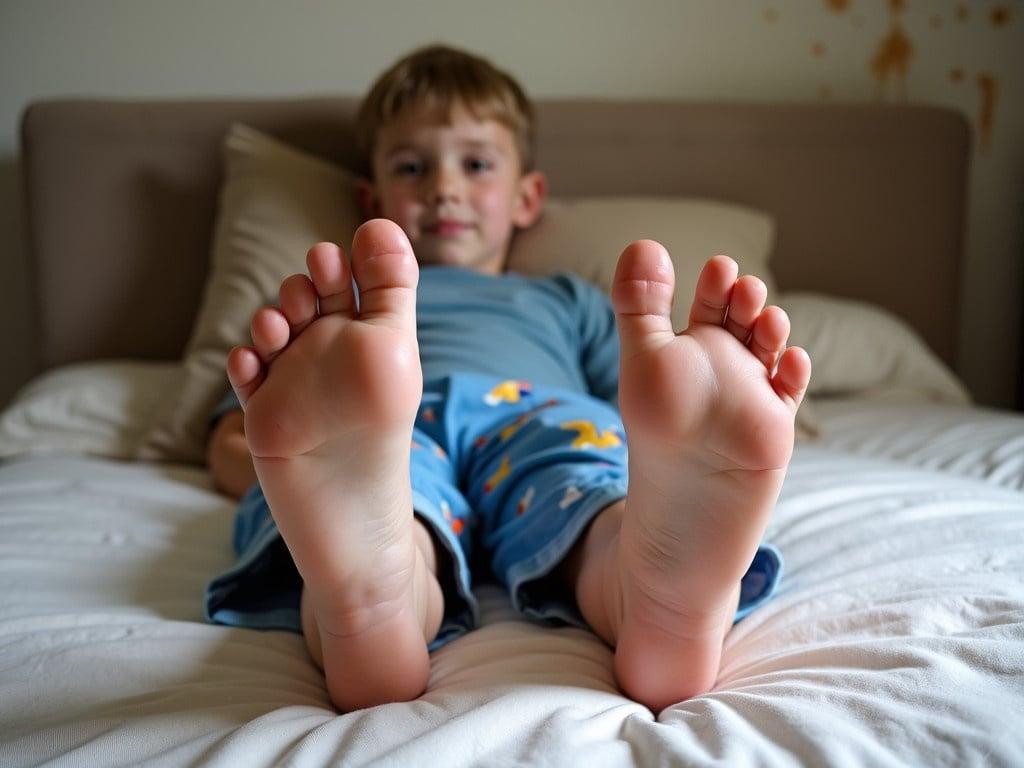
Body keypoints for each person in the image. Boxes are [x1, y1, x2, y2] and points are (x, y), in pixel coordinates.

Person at [204, 44, 811, 714]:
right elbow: (235, 439)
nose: (444, 187)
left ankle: (658, 595)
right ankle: (373, 596)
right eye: (412, 166)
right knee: (379, 498)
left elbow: (660, 406)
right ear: (368, 197)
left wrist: (705, 425)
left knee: (584, 478)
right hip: (386, 433)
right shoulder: (334, 328)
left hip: (538, 415)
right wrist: (282, 465)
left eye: (476, 163)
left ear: (529, 197)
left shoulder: (564, 299)